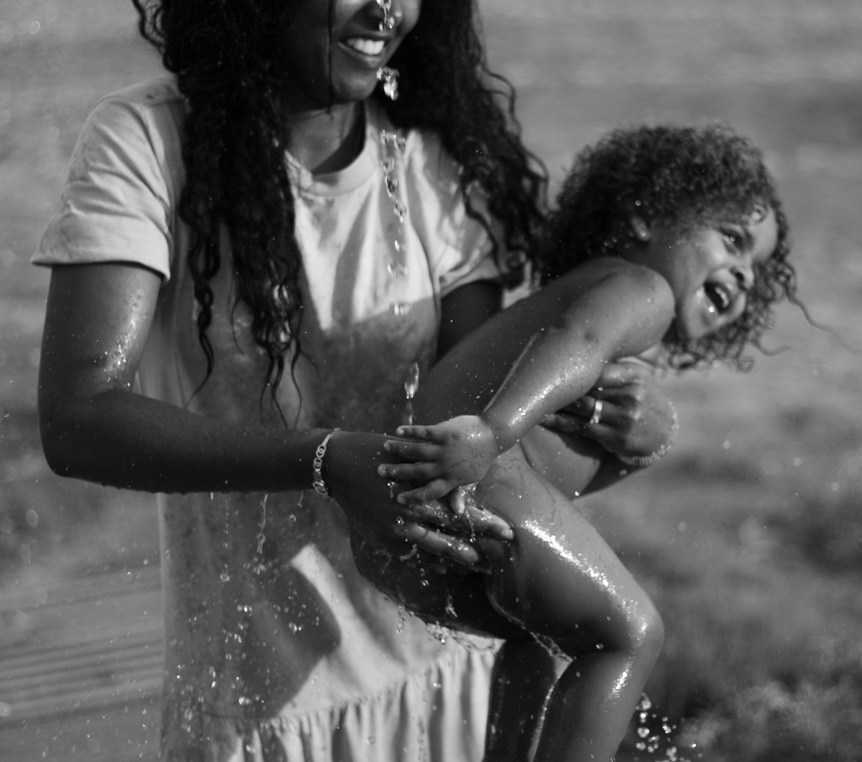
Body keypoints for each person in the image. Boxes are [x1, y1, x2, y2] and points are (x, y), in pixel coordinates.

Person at [32, 1, 677, 760]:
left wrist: (626, 423)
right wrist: (324, 460)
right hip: (261, 702)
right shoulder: (149, 141)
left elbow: (485, 449)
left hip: (452, 676)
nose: (386, 8)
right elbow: (78, 417)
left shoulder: (436, 165)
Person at [370, 123, 796, 762]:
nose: (741, 274)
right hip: (472, 472)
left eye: (754, 270)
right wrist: (492, 434)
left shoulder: (609, 308)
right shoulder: (640, 290)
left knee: (534, 640)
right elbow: (577, 341)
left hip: (405, 522)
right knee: (632, 635)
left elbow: (569, 453)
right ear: (648, 216)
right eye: (732, 239)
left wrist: (647, 440)